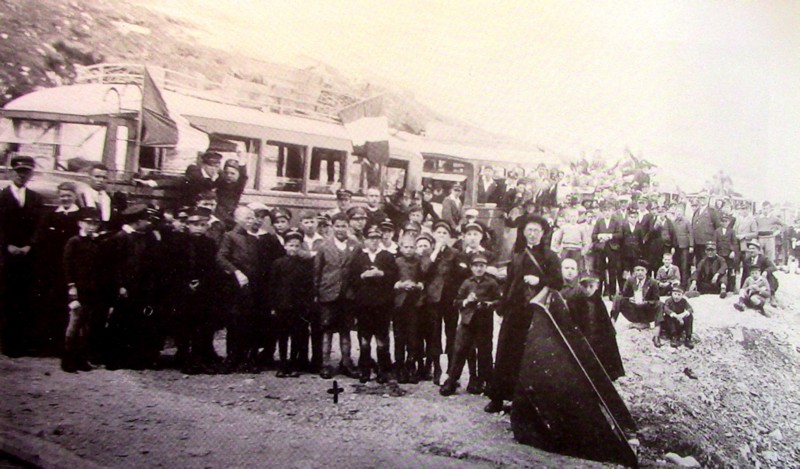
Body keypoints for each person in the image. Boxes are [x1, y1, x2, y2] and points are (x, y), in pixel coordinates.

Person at [485, 215, 563, 413]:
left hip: (536, 312)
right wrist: (503, 305)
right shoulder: (518, 253)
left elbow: (558, 282)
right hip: (515, 310)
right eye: (529, 230)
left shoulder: (551, 256)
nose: (533, 234)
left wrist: (539, 280)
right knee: (505, 352)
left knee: (530, 354)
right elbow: (510, 281)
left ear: (543, 233)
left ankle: (524, 401)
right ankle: (498, 397)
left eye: (537, 230)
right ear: (524, 232)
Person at [104, 205, 166, 370]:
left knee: (139, 323)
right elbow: (113, 266)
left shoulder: (147, 237)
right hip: (126, 289)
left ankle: (137, 358)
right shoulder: (120, 238)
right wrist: (120, 286)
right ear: (137, 222)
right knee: (120, 322)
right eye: (146, 220)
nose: (148, 223)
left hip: (142, 289)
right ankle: (114, 358)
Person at [0, 155, 44, 357]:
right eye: (19, 171)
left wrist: (29, 245)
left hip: (27, 256)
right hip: (5, 256)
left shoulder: (35, 198)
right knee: (6, 298)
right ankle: (6, 343)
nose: (22, 175)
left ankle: (21, 342)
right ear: (12, 172)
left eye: (26, 172)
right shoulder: (2, 196)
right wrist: (6, 245)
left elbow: (39, 226)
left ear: (31, 174)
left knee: (25, 298)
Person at [440, 253, 501, 396]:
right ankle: (452, 382)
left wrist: (488, 304)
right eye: (476, 266)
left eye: (482, 266)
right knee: (460, 351)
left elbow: (499, 301)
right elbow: (456, 302)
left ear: (486, 267)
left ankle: (486, 383)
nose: (479, 269)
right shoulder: (467, 283)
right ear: (471, 268)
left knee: (485, 352)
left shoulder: (491, 283)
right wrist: (467, 300)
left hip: (484, 322)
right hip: (467, 322)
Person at [32, 181, 82, 354]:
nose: (65, 198)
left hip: (73, 269)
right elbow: (42, 241)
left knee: (71, 306)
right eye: (62, 196)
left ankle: (66, 344)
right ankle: (48, 343)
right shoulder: (51, 216)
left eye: (68, 195)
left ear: (75, 196)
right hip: (52, 269)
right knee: (50, 304)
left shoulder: (81, 217)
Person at [171, 207, 220, 373]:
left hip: (203, 290)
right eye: (195, 224)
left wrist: (202, 282)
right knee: (184, 324)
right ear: (188, 225)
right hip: (182, 290)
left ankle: (200, 357)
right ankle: (184, 356)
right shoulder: (178, 242)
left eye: (203, 224)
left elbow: (212, 268)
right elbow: (172, 268)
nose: (199, 228)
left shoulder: (210, 244)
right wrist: (185, 283)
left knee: (203, 325)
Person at [347, 224, 398, 383]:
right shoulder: (359, 257)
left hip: (382, 305)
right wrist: (363, 276)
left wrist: (381, 273)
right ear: (365, 240)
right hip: (364, 305)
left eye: (377, 238)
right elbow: (351, 279)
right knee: (364, 339)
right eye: (371, 238)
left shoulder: (387, 256)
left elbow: (394, 276)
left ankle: (384, 370)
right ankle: (365, 369)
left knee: (382, 339)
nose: (374, 242)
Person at [217, 206, 264, 373]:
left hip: (252, 288)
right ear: (238, 219)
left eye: (253, 218)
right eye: (248, 218)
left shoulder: (254, 239)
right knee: (234, 321)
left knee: (250, 322)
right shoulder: (229, 236)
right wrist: (236, 272)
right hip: (235, 288)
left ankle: (247, 358)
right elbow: (221, 257)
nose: (252, 221)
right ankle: (232, 358)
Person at [314, 213, 360, 379]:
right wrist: (316, 293)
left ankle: (346, 362)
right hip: (328, 293)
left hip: (347, 295)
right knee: (327, 330)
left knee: (345, 331)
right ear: (332, 227)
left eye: (344, 226)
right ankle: (326, 363)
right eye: (338, 226)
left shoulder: (356, 246)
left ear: (348, 226)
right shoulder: (324, 247)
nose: (341, 229)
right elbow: (317, 272)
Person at [61, 207, 103, 372]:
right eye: (88, 222)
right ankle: (67, 359)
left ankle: (81, 359)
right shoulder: (74, 241)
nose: (92, 226)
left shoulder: (96, 242)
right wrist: (71, 286)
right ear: (80, 223)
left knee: (87, 324)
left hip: (92, 289)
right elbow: (67, 266)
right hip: (77, 288)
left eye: (95, 223)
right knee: (75, 322)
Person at [562, 273, 625, 380]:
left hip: (597, 334)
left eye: (591, 286)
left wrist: (609, 332)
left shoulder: (597, 300)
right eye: (584, 286)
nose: (588, 289)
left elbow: (604, 320)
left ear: (597, 287)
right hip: (584, 334)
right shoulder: (575, 300)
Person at [270, 228, 314, 377]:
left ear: (300, 247)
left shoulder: (305, 265)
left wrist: (306, 305)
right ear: (285, 246)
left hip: (298, 307)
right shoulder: (278, 263)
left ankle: (294, 363)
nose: (293, 249)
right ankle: (283, 364)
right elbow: (273, 285)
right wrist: (273, 306)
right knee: (282, 335)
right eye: (290, 245)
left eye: (296, 246)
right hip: (283, 305)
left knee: (297, 336)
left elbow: (309, 287)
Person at [420, 220, 459, 384]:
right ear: (434, 234)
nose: (441, 236)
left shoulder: (455, 253)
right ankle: (437, 368)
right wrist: (434, 251)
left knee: (451, 334)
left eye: (445, 233)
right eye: (439, 233)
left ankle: (451, 370)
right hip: (433, 299)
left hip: (450, 299)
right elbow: (423, 271)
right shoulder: (427, 252)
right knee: (434, 334)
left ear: (449, 237)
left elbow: (459, 276)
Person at [392, 234, 425, 384]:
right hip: (399, 303)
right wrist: (399, 284)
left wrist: (418, 285)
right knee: (399, 336)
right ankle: (399, 367)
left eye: (412, 247)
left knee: (413, 336)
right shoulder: (397, 261)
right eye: (406, 246)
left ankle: (410, 365)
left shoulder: (419, 261)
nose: (409, 250)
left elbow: (424, 278)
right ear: (400, 247)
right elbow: (391, 279)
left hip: (414, 303)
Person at [611, 259, 662, 330]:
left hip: (646, 311)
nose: (640, 272)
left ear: (646, 271)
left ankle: (648, 324)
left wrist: (646, 302)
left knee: (660, 304)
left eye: (642, 270)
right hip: (633, 309)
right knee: (617, 297)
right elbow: (624, 295)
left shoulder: (653, 282)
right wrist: (629, 299)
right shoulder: (630, 280)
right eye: (637, 270)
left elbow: (656, 300)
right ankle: (612, 321)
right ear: (634, 271)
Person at [80, 163, 127, 230]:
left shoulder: (110, 198)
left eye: (104, 177)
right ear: (89, 177)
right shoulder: (81, 196)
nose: (101, 180)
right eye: (97, 176)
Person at [591, 201, 623, 298]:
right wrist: (600, 236)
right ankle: (599, 292)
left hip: (612, 248)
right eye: (605, 211)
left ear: (612, 211)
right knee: (600, 270)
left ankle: (612, 293)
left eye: (609, 210)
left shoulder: (616, 221)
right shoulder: (599, 222)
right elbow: (593, 235)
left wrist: (610, 236)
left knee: (612, 270)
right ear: (602, 212)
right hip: (601, 248)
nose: (607, 213)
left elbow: (620, 234)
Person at [551, 207, 589, 272]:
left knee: (576, 269)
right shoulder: (563, 227)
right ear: (568, 217)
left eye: (575, 216)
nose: (573, 218)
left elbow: (585, 242)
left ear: (577, 217)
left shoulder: (581, 228)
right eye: (571, 216)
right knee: (564, 268)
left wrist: (583, 252)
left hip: (577, 251)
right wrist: (558, 251)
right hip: (565, 251)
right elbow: (557, 241)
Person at [741, 241, 779, 305]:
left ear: (758, 251)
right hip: (753, 282)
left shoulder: (764, 258)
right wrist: (742, 288)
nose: (751, 250)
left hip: (764, 282)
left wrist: (766, 271)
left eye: (753, 248)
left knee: (769, 276)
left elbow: (773, 267)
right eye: (750, 249)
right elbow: (744, 274)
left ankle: (772, 296)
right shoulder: (747, 260)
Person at [691, 195, 721, 266]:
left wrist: (714, 241)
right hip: (697, 242)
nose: (702, 200)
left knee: (707, 262)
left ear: (707, 199)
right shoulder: (696, 211)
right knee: (698, 262)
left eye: (704, 198)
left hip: (707, 242)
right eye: (700, 198)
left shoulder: (712, 211)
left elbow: (717, 227)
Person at [669, 203, 694, 289]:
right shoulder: (673, 222)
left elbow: (690, 233)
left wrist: (691, 245)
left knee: (684, 266)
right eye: (677, 212)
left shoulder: (687, 222)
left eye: (680, 212)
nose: (678, 214)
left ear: (683, 213)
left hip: (685, 246)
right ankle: (676, 283)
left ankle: (684, 285)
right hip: (676, 246)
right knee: (676, 265)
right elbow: (672, 234)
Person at [715, 214, 740, 292]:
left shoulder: (732, 231)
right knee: (720, 269)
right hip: (720, 253)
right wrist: (715, 252)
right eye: (723, 221)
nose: (724, 223)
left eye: (726, 221)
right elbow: (714, 242)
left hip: (729, 254)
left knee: (731, 270)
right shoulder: (717, 231)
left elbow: (734, 243)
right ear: (721, 222)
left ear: (729, 222)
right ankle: (720, 287)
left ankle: (731, 287)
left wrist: (733, 251)